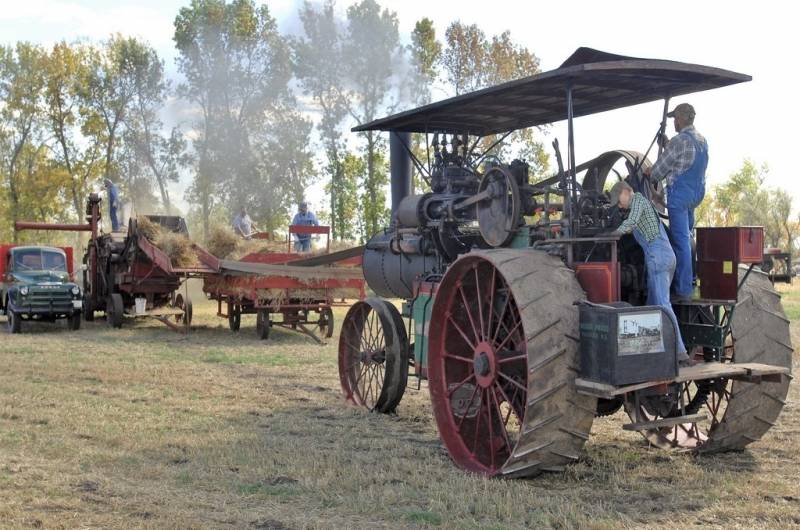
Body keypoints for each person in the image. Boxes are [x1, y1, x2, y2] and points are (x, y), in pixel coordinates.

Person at [609, 180, 690, 364]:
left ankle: (680, 352)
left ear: (625, 192)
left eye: (618, 200)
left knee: (662, 305)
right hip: (665, 258)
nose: (619, 205)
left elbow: (631, 222)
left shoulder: (638, 201)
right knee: (651, 304)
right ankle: (648, 356)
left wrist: (612, 234)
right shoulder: (643, 205)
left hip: (658, 259)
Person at [645, 103, 708, 301]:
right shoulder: (701, 140)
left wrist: (647, 172)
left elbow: (657, 171)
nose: (673, 122)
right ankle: (691, 282)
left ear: (680, 119)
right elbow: (683, 159)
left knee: (680, 243)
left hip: (679, 197)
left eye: (674, 119)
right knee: (688, 240)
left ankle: (683, 290)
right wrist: (667, 145)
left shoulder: (679, 141)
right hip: (695, 195)